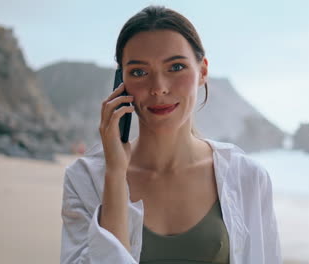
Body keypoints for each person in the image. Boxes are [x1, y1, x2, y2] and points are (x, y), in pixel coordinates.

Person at [60, 5, 282, 264]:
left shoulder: (247, 178)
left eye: (175, 67)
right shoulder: (85, 180)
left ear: (203, 72)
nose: (158, 88)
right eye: (139, 72)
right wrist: (115, 176)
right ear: (122, 82)